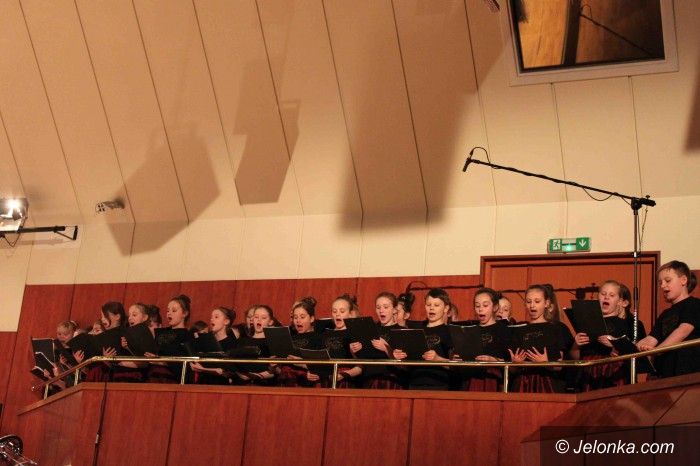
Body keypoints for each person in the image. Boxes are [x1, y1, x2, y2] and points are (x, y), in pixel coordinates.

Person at [637, 261, 700, 377]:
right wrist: (630, 349)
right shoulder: (665, 314)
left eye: (667, 280)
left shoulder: (694, 304)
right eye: (660, 282)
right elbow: (651, 338)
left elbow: (683, 331)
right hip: (665, 371)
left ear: (683, 280)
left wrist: (657, 350)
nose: (662, 286)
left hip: (687, 370)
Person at [509, 285, 570, 393]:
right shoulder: (519, 330)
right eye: (528, 302)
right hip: (523, 384)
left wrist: (545, 362)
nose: (532, 305)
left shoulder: (556, 328)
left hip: (547, 383)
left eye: (537, 301)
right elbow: (512, 369)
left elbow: (560, 365)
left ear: (546, 303)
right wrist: (515, 364)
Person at [572, 280, 629, 391]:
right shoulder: (587, 323)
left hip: (611, 372)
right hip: (588, 372)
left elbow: (628, 354)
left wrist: (614, 344)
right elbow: (575, 357)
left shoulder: (624, 324)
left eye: (612, 295)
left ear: (619, 301)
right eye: (603, 294)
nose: (606, 297)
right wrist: (576, 344)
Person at [393, 288, 452, 390]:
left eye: (436, 305)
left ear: (446, 308)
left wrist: (438, 359)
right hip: (414, 384)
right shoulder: (415, 329)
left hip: (438, 385)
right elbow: (407, 365)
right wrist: (399, 357)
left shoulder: (449, 331)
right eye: (428, 305)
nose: (431, 308)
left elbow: (456, 365)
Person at [457, 288, 510, 391]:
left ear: (495, 307)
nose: (480, 309)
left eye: (485, 305)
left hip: (492, 379)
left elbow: (509, 361)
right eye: (477, 306)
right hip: (470, 379)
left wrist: (494, 361)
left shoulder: (503, 330)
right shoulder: (470, 331)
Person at [349, 292, 404, 389]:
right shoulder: (369, 329)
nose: (381, 311)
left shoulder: (401, 331)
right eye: (378, 307)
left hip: (390, 381)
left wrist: (386, 348)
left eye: (386, 307)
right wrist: (354, 351)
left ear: (394, 310)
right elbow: (361, 361)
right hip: (369, 380)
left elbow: (403, 365)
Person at [276, 297, 323, 387]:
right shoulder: (288, 339)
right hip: (287, 385)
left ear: (312, 318)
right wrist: (274, 366)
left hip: (307, 386)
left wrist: (302, 364)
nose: (298, 320)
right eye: (295, 317)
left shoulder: (319, 339)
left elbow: (323, 368)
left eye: (302, 317)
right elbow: (281, 370)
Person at [318, 295, 362, 388]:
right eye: (334, 311)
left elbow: (360, 366)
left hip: (344, 382)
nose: (337, 314)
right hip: (325, 381)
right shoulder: (325, 334)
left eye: (342, 311)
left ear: (350, 314)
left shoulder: (354, 334)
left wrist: (344, 374)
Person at [191, 307, 239, 385]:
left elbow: (228, 372)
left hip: (220, 385)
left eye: (216, 317)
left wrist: (203, 369)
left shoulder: (232, 343)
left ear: (226, 321)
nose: (212, 319)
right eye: (211, 317)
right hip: (202, 383)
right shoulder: (206, 340)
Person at [234, 305, 276, 384]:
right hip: (241, 385)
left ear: (270, 322)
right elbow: (234, 363)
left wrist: (255, 376)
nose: (259, 320)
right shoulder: (242, 341)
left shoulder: (272, 343)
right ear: (252, 320)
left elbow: (276, 371)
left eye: (263, 318)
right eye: (256, 317)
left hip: (264, 385)